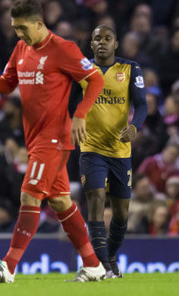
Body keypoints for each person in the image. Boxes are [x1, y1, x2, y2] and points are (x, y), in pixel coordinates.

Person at [0, 0, 106, 283]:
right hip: (34, 138)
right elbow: (9, 83)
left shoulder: (63, 48)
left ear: (39, 22)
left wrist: (80, 114)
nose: (18, 34)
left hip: (54, 138)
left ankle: (8, 266)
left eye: (23, 28)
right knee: (60, 202)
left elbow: (96, 79)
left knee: (29, 194)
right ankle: (93, 264)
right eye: (15, 29)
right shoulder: (21, 48)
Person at [75, 25, 147, 278]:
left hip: (120, 150)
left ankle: (111, 256)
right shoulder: (82, 69)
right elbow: (69, 101)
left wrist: (135, 127)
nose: (102, 42)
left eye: (107, 38)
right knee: (95, 200)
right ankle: (102, 266)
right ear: (91, 44)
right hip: (91, 148)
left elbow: (141, 104)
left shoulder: (130, 68)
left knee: (121, 213)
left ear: (116, 44)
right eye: (97, 38)